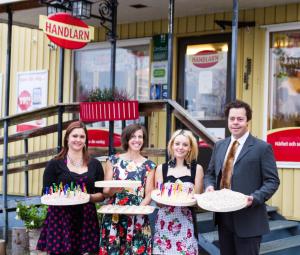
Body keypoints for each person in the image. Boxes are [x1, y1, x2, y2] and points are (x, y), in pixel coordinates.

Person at [204, 100, 280, 255]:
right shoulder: (219, 146)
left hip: (249, 219)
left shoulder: (262, 148)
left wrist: (254, 198)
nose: (235, 123)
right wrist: (209, 186)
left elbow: (272, 181)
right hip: (223, 218)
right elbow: (210, 174)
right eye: (232, 119)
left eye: (240, 119)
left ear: (247, 121)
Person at [37, 120, 105, 255]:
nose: (78, 140)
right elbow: (45, 193)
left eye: (82, 136)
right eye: (75, 136)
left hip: (86, 219)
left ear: (86, 140)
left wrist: (88, 197)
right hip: (60, 220)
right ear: (67, 138)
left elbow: (101, 195)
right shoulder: (54, 164)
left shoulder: (95, 164)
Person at [99, 124, 156, 255]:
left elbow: (149, 194)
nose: (137, 140)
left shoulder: (149, 165)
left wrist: (136, 210)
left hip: (138, 217)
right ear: (126, 139)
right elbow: (105, 191)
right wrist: (114, 189)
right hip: (114, 216)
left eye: (140, 137)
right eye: (133, 136)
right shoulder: (113, 161)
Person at [153, 129, 203, 255]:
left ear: (190, 148)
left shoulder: (196, 169)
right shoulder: (161, 169)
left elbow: (197, 200)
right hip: (165, 222)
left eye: (185, 144)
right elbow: (158, 202)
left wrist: (186, 199)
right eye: (177, 144)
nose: (180, 147)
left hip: (186, 221)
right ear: (172, 145)